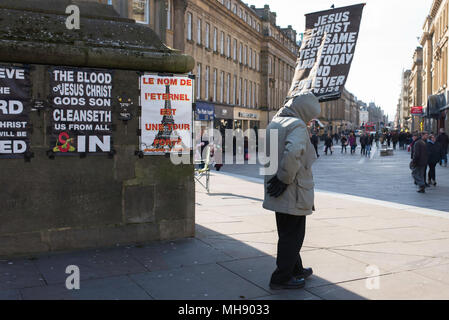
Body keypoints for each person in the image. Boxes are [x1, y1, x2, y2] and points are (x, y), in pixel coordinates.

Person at [263, 92, 320, 290]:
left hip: (276, 188)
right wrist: (285, 178)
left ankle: (296, 269)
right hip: (292, 188)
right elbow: (294, 151)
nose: (311, 120)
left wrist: (276, 179)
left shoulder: (275, 122)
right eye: (310, 115)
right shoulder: (297, 125)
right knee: (293, 235)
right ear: (303, 111)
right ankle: (281, 277)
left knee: (287, 232)